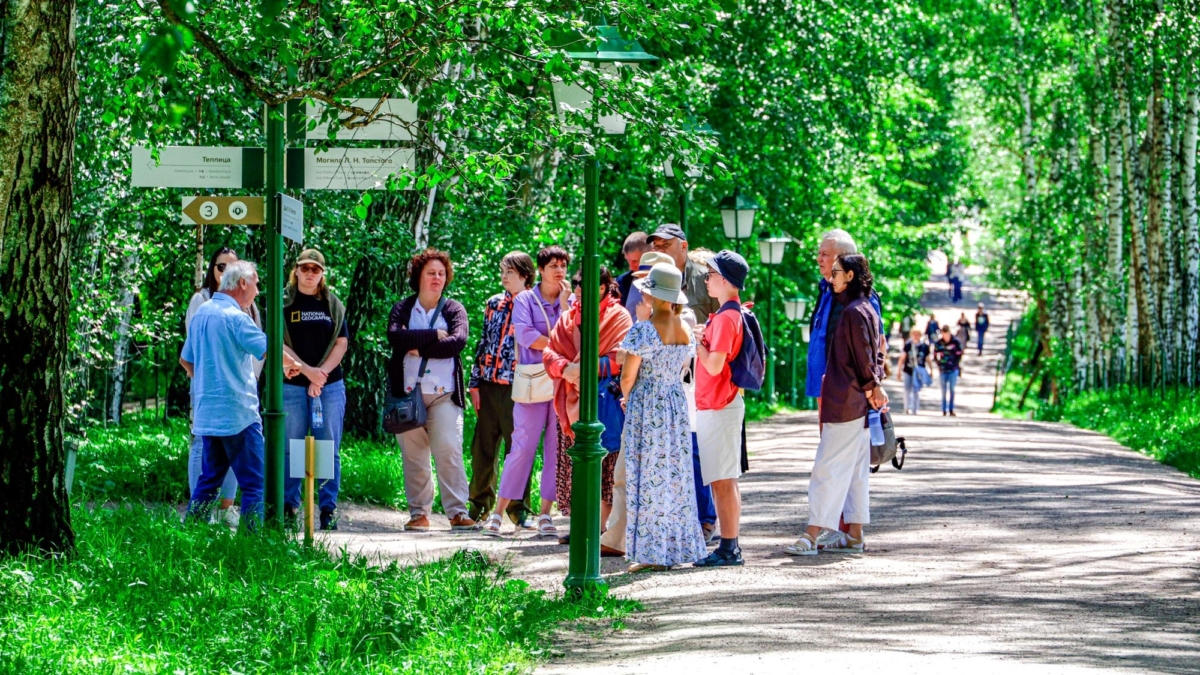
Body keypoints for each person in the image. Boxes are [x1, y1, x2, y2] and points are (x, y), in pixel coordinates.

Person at [785, 253, 886, 556]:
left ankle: (811, 535)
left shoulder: (854, 312)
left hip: (846, 400)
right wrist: (873, 388)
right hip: (857, 403)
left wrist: (871, 388)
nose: (831, 278)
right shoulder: (866, 308)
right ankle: (854, 534)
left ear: (851, 276)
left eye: (836, 272)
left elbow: (864, 357)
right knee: (855, 471)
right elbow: (877, 352)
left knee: (827, 467)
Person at [601, 252, 699, 558]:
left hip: (647, 403)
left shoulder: (643, 328)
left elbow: (628, 375)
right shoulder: (684, 328)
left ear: (653, 293)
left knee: (641, 472)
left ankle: (649, 551)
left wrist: (628, 396)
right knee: (671, 474)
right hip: (674, 403)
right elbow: (682, 366)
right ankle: (671, 545)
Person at [480, 247, 571, 538]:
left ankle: (545, 514)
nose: (559, 270)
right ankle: (497, 514)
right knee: (521, 448)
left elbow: (576, 336)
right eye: (553, 265)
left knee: (556, 450)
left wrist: (568, 306)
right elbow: (525, 335)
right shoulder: (526, 300)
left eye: (563, 265)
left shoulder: (570, 302)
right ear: (540, 270)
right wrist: (557, 346)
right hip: (532, 383)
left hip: (561, 386)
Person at [386, 249, 475, 532]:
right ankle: (419, 514)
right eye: (431, 273)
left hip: (443, 393)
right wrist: (434, 335)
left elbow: (457, 342)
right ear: (418, 277)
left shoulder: (453, 309)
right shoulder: (402, 308)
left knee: (448, 448)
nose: (437, 278)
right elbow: (394, 337)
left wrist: (416, 347)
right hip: (407, 393)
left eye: (441, 273)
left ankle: (457, 513)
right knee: (413, 455)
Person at [543, 265, 632, 544]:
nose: (577, 288)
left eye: (583, 283)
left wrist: (586, 369)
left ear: (603, 288)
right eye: (576, 282)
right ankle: (583, 524)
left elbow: (622, 359)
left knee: (605, 465)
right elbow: (549, 353)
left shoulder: (619, 316)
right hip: (570, 402)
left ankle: (600, 527)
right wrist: (565, 369)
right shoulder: (568, 318)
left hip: (603, 402)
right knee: (575, 464)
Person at [180, 261, 269, 531]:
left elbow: (186, 360)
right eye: (255, 283)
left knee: (209, 481)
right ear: (242, 283)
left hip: (209, 415)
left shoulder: (203, 314)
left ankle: (190, 535)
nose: (257, 290)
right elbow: (269, 351)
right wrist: (298, 367)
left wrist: (211, 381)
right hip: (239, 414)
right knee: (254, 484)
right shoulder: (237, 318)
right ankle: (252, 543)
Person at [648, 224, 722, 539]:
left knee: (696, 448)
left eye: (666, 243)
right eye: (656, 244)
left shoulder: (706, 278)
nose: (660, 249)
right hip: (663, 375)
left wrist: (705, 337)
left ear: (683, 246)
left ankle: (706, 519)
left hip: (701, 374)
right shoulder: (650, 276)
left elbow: (726, 320)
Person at [281, 249, 349, 531]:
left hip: (329, 387)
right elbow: (275, 342)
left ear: (322, 274)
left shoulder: (332, 304)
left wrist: (320, 377)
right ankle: (288, 505)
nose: (309, 273)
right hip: (292, 384)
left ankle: (327, 509)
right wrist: (307, 371)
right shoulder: (283, 302)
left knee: (327, 447)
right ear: (295, 270)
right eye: (304, 268)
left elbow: (341, 342)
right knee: (290, 447)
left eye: (315, 269)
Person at [467, 251, 535, 526]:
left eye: (509, 271)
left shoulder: (534, 304)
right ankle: (479, 504)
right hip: (488, 383)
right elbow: (483, 343)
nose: (503, 276)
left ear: (524, 274)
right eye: (502, 271)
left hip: (519, 387)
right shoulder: (493, 303)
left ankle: (519, 509)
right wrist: (474, 383)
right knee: (482, 449)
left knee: (518, 449)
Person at [693, 250, 751, 567]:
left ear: (726, 280)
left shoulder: (727, 317)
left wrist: (697, 343)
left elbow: (714, 366)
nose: (707, 279)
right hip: (719, 405)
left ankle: (730, 548)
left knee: (723, 480)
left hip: (720, 405)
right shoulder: (725, 315)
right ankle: (729, 545)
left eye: (711, 274)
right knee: (723, 478)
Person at [622, 250, 674, 321]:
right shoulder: (645, 312)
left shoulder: (683, 316)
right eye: (641, 280)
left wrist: (644, 321)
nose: (642, 288)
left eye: (647, 281)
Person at [896, 327, 930, 415]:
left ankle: (915, 409)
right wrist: (898, 371)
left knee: (916, 389)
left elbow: (928, 359)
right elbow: (902, 358)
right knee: (907, 389)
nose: (916, 336)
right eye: (914, 334)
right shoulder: (908, 345)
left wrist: (930, 370)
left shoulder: (924, 346)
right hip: (908, 370)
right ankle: (906, 408)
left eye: (917, 334)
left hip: (918, 371)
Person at [934, 324, 965, 416]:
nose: (945, 336)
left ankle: (951, 409)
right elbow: (935, 355)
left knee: (952, 389)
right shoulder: (939, 343)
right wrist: (939, 364)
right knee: (943, 390)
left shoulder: (955, 342)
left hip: (953, 369)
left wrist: (956, 363)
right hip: (943, 369)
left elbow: (959, 354)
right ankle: (944, 409)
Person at [616, 232, 650, 308]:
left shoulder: (664, 279)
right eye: (628, 261)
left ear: (650, 255)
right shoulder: (621, 282)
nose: (631, 267)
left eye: (635, 261)